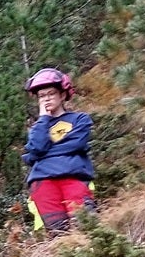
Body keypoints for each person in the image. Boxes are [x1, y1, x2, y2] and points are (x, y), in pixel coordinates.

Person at [23, 67, 98, 235]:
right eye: (42, 96)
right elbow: (36, 147)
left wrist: (40, 155)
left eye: (51, 94)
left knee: (85, 228)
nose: (46, 99)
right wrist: (44, 118)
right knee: (58, 235)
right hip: (42, 183)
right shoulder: (37, 127)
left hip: (74, 177)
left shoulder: (80, 119)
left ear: (62, 95)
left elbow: (76, 145)